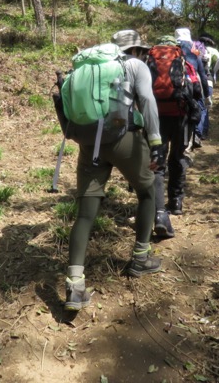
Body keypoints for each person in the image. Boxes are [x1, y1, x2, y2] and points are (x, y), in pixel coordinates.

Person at [64, 29, 165, 312]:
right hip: (125, 139)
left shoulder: (88, 68)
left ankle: (75, 285)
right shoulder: (134, 66)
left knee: (85, 212)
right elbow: (147, 102)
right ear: (134, 50)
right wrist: (156, 142)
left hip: (90, 142)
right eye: (142, 51)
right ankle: (141, 259)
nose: (144, 55)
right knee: (147, 191)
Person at [148, 35, 192, 237]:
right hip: (180, 117)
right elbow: (196, 90)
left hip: (156, 118)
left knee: (157, 162)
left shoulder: (148, 62)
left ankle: (157, 211)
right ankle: (176, 202)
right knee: (178, 157)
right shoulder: (184, 62)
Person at [174, 27, 211, 149]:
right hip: (192, 86)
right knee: (196, 109)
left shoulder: (171, 48)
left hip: (174, 85)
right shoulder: (194, 50)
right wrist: (206, 94)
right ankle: (192, 138)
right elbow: (202, 73)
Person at [197, 33, 219, 140]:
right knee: (206, 106)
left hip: (196, 80)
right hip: (208, 80)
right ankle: (203, 131)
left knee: (199, 104)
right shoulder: (212, 50)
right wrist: (214, 71)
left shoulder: (195, 48)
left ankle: (198, 131)